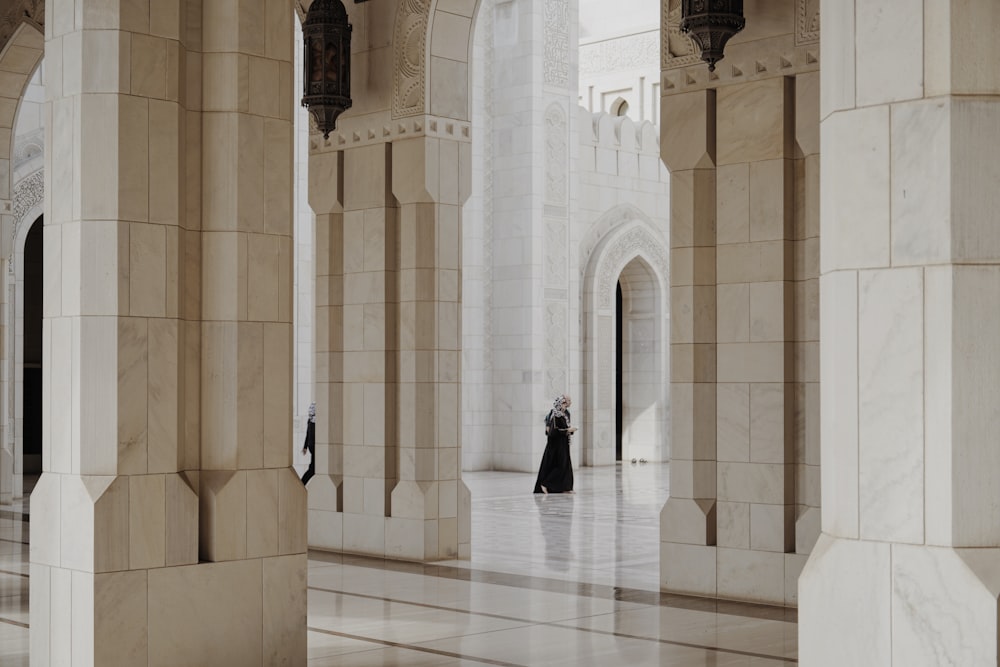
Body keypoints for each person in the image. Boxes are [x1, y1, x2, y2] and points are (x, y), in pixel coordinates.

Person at [533, 394, 577, 494]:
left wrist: (569, 430)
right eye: (568, 400)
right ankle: (546, 483)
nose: (570, 402)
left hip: (564, 443)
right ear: (562, 402)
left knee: (565, 465)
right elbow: (552, 430)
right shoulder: (555, 414)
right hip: (556, 445)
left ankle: (565, 487)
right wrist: (567, 430)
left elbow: (565, 426)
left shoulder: (566, 413)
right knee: (558, 465)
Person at [300, 402, 316, 485]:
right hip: (315, 447)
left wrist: (305, 446)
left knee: (313, 468)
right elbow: (309, 433)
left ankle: (302, 483)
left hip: (311, 446)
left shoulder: (310, 420)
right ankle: (302, 483)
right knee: (313, 469)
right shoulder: (315, 422)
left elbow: (307, 433)